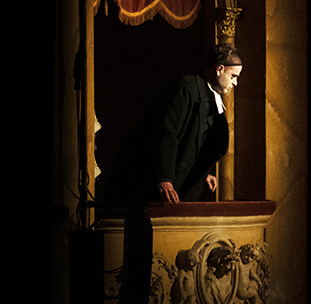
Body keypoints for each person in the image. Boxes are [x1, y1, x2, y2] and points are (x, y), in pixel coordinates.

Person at [99, 44, 240, 206]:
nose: (235, 82)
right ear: (219, 69)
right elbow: (167, 132)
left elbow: (198, 143)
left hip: (178, 178)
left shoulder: (209, 95)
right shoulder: (187, 86)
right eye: (233, 76)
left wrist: (201, 172)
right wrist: (164, 178)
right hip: (148, 181)